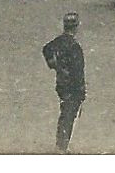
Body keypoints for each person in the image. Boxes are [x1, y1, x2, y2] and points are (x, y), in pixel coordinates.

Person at [42, 12, 86, 152]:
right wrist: (81, 91)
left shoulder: (59, 41)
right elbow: (78, 71)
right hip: (72, 87)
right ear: (76, 27)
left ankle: (60, 146)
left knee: (65, 114)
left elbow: (46, 49)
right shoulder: (75, 47)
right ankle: (61, 147)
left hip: (61, 83)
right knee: (68, 116)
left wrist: (54, 65)